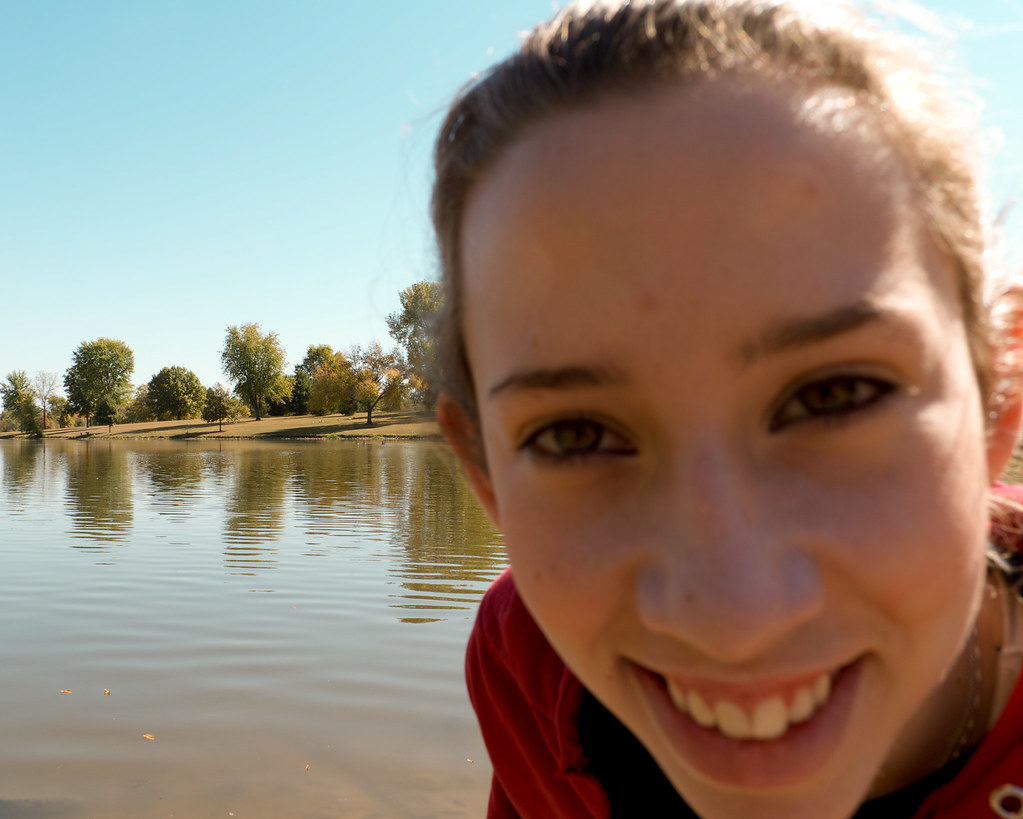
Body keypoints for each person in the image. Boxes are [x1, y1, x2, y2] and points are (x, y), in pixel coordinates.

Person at [431, 1, 1023, 816]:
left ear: (1000, 399)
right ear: (483, 471)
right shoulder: (529, 667)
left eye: (833, 396)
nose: (735, 619)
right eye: (575, 435)